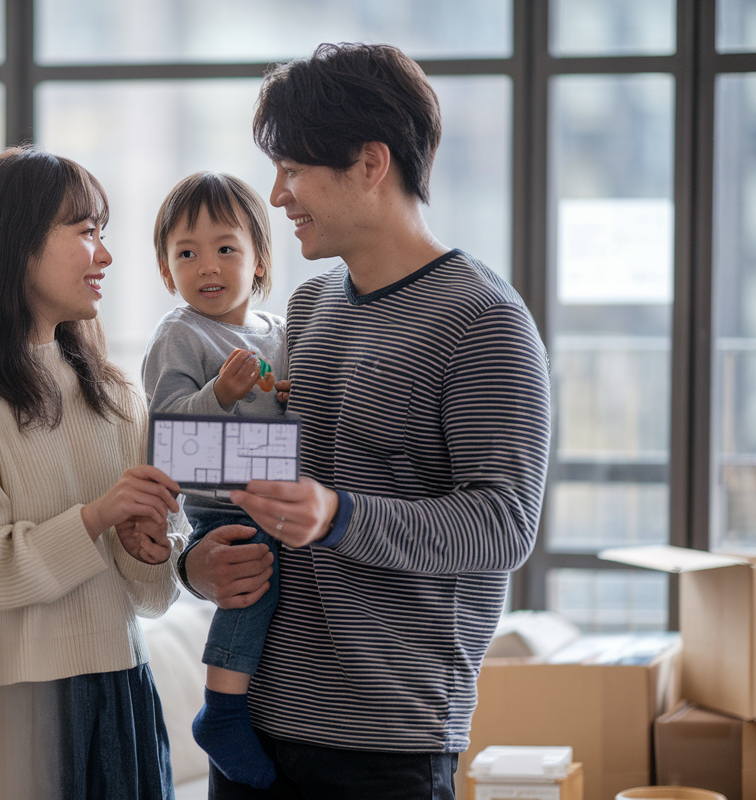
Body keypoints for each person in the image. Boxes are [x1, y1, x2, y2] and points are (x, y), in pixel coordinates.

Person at [179, 42, 553, 799]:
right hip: (252, 728)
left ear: (371, 164)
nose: (277, 197)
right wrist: (197, 564)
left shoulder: (484, 322)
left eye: (293, 170)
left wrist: (338, 515)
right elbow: (258, 478)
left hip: (386, 742)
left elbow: (503, 526)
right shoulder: (308, 308)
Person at [0, 146, 189, 800]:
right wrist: (96, 519)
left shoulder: (117, 393)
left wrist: (153, 548)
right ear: (17, 243)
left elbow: (154, 596)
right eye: (87, 232)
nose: (106, 257)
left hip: (122, 687)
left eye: (103, 234)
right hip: (9, 707)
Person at [140, 171, 287, 789]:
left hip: (274, 494)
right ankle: (222, 709)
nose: (209, 265)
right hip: (223, 506)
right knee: (254, 581)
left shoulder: (277, 331)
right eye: (187, 252)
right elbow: (169, 436)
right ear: (168, 272)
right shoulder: (180, 334)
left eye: (227, 248)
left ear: (258, 261)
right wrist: (219, 394)